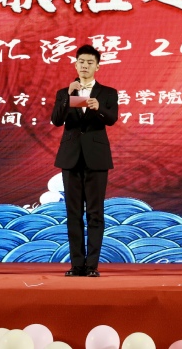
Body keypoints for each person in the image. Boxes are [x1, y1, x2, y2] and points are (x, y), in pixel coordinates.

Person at [51, 45, 119, 277]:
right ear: (75, 64)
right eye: (81, 62)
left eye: (90, 62)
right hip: (71, 158)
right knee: (73, 213)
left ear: (97, 66)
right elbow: (56, 120)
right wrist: (70, 97)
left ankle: (92, 266)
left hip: (96, 159)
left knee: (95, 213)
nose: (85, 66)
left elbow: (111, 119)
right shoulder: (66, 92)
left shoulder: (107, 92)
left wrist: (99, 108)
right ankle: (77, 265)